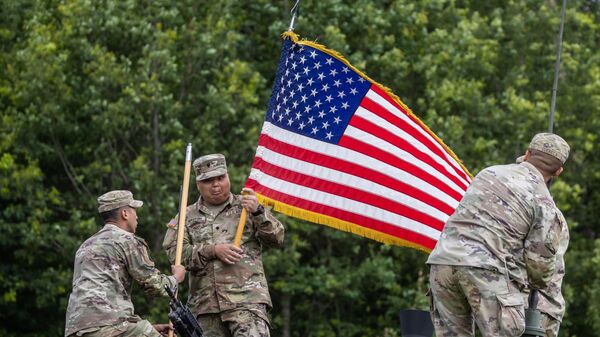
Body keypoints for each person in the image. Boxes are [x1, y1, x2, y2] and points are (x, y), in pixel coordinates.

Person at [426, 133, 570, 337]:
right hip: (487, 271)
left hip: (442, 263)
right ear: (558, 171)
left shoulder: (488, 173)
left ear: (527, 154)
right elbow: (539, 267)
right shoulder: (545, 204)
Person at [163, 153, 285, 337]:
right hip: (205, 309)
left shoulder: (247, 207)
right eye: (209, 180)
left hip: (246, 303)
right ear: (198, 184)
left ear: (228, 176)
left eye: (221, 178)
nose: (216, 185)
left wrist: (259, 212)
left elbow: (276, 239)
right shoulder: (185, 216)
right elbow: (176, 255)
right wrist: (213, 251)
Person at [65, 190, 186, 337]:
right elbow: (155, 286)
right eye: (134, 210)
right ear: (125, 213)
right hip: (110, 326)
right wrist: (176, 278)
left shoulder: (86, 245)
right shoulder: (127, 241)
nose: (137, 215)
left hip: (77, 329)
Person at [516, 156, 570, 337]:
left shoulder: (547, 213)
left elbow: (538, 269)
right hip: (519, 305)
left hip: (538, 309)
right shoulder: (521, 207)